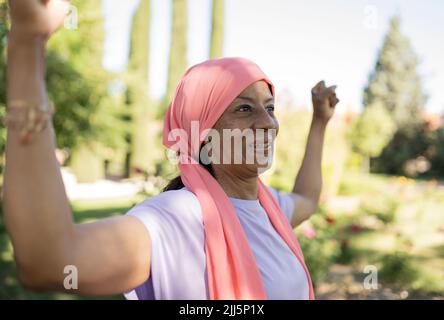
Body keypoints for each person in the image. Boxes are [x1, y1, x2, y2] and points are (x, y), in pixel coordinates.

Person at [3, 0, 339, 300]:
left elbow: (307, 198)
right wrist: (27, 44)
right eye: (244, 109)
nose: (269, 124)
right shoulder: (175, 220)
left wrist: (319, 122)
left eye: (270, 107)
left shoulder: (269, 207)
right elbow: (49, 262)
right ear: (204, 135)